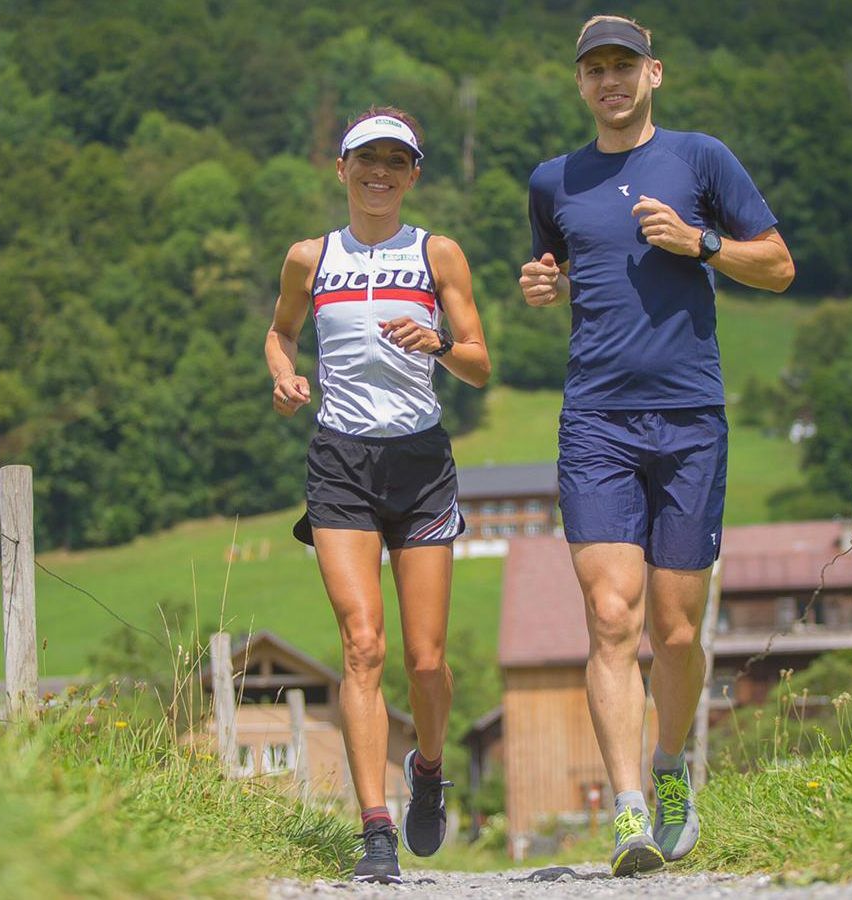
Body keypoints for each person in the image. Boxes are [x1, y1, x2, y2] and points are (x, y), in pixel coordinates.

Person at [519, 15, 795, 878]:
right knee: (611, 617)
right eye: (595, 69)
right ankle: (628, 809)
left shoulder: (701, 159)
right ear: (579, 83)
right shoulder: (553, 179)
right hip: (596, 420)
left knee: (675, 633)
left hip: (689, 418)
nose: (610, 80)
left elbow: (779, 266)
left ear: (655, 74)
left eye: (624, 66)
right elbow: (553, 263)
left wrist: (700, 242)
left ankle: (670, 766)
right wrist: (541, 282)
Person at [265, 106, 491, 884]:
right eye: (367, 159)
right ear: (342, 169)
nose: (380, 174)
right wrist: (284, 375)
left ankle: (427, 766)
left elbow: (480, 363)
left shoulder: (437, 253)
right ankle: (375, 830)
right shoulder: (309, 257)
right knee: (363, 646)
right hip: (341, 463)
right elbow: (281, 332)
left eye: (396, 162)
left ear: (413, 175)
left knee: (426, 662)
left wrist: (441, 343)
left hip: (421, 464)